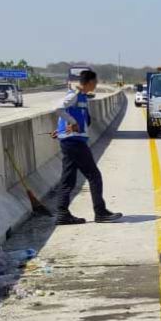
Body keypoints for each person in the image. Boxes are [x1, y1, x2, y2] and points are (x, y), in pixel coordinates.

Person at [54, 69, 122, 225]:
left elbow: (82, 118)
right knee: (94, 176)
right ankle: (100, 212)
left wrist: (70, 125)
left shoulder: (82, 96)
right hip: (74, 141)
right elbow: (58, 109)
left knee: (68, 179)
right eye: (96, 82)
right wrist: (72, 123)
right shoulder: (74, 95)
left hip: (71, 140)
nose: (97, 84)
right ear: (90, 82)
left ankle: (62, 213)